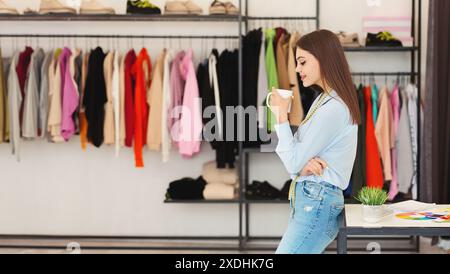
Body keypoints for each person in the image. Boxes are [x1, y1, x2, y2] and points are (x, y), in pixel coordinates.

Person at [269, 29, 361, 254]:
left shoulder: (334, 108)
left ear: (323, 59)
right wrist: (300, 169)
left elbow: (293, 161)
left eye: (302, 62)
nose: (297, 69)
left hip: (317, 202)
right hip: (312, 200)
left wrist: (281, 116)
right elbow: (297, 159)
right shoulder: (324, 99)